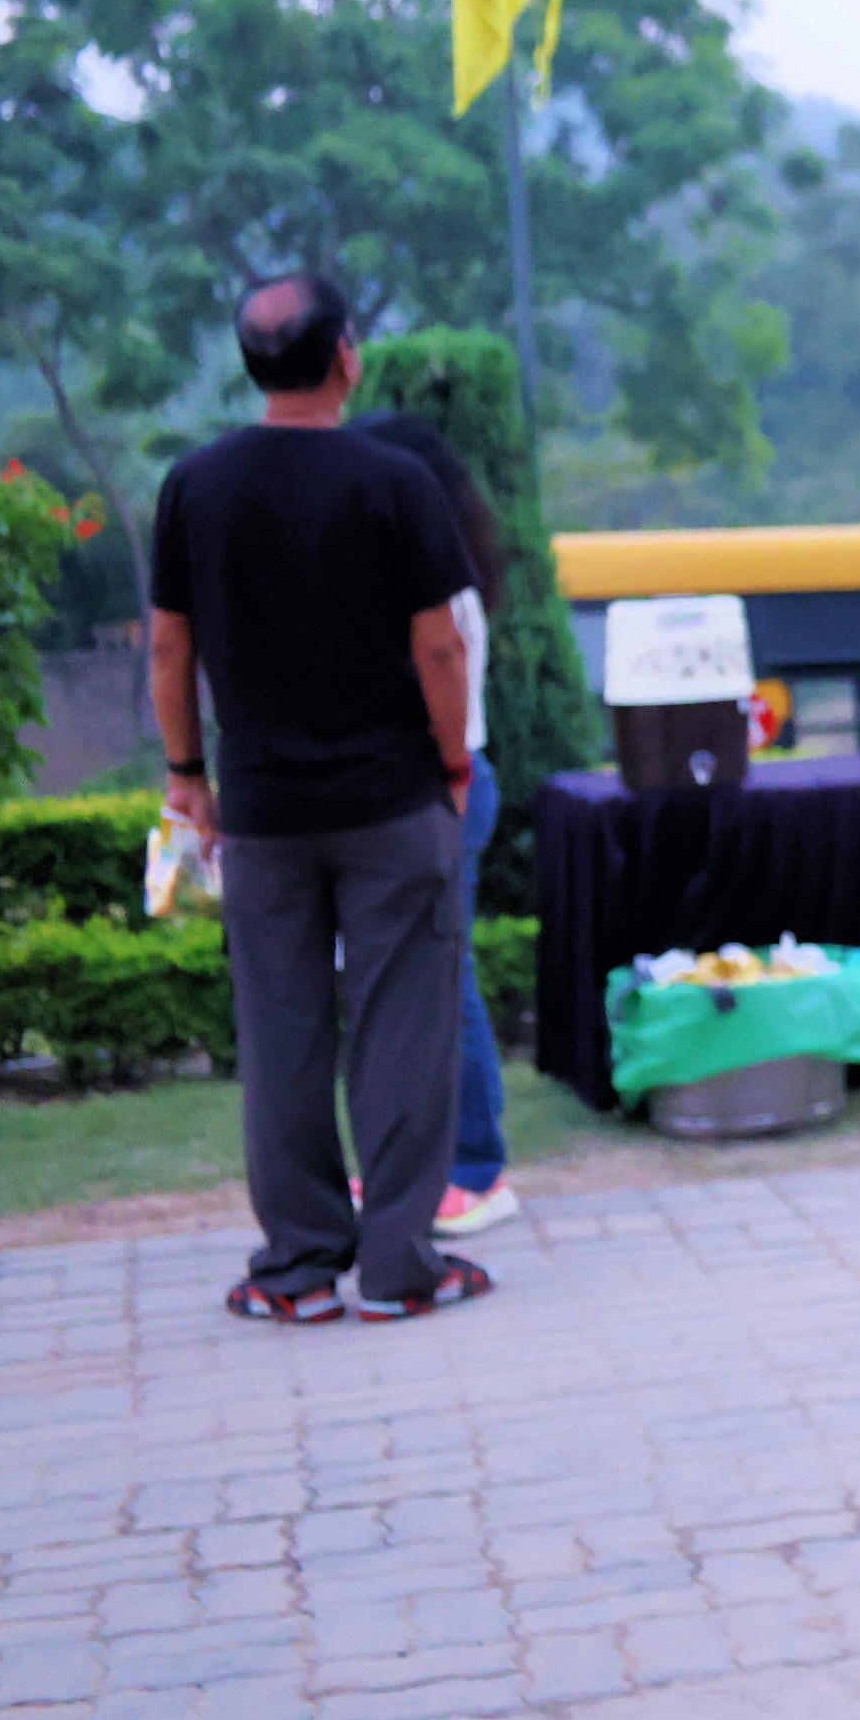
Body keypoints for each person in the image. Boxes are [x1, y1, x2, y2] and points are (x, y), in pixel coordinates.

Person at [151, 274, 495, 1324]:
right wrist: (452, 764)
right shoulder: (393, 480)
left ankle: (296, 1267)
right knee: (404, 1031)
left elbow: (169, 645)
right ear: (347, 354)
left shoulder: (194, 485)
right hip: (392, 800)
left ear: (250, 365)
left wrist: (188, 774)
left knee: (281, 1037)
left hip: (260, 812)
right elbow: (440, 644)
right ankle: (399, 1266)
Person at [350, 410, 519, 1237]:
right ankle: (414, 1167)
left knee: (449, 990)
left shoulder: (436, 579)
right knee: (407, 993)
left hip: (445, 790)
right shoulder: (421, 567)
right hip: (420, 792)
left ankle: (478, 1171)